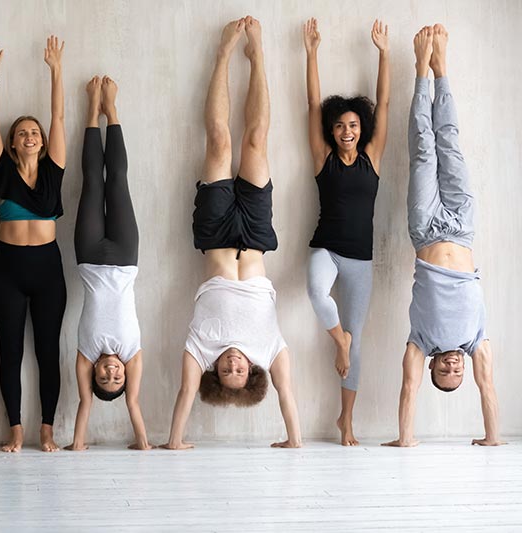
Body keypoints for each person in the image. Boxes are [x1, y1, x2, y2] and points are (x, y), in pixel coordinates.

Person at [163, 17, 301, 450]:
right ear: (252, 373)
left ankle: (223, 54)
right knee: (257, 141)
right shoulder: (267, 351)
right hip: (256, 237)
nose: (235, 365)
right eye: (241, 372)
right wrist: (294, 441)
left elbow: (186, 393)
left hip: (216, 234)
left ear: (216, 372)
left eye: (228, 372)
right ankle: (257, 54)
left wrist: (175, 442)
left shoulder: (201, 351)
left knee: (220, 141)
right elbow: (288, 394)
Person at [383, 25, 503, 448]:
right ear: (464, 370)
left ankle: (422, 71)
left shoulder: (422, 342)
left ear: (433, 365)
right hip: (463, 226)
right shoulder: (476, 343)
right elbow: (488, 389)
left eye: (444, 372)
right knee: (449, 144)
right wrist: (492, 438)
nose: (453, 366)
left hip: (426, 227)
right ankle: (442, 69)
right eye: (457, 373)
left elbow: (408, 389)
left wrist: (406, 439)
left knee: (424, 148)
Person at [302, 18, 389, 446]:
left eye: (353, 125)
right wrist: (312, 53)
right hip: (327, 249)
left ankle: (346, 422)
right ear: (331, 131)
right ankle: (339, 341)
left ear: (362, 130)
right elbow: (313, 102)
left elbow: (385, 104)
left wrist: (384, 54)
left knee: (359, 344)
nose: (347, 131)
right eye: (339, 126)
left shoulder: (373, 157)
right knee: (317, 294)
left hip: (361, 260)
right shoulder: (324, 158)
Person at [0, 36, 66, 452]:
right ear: (12, 143)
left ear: (43, 141)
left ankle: (46, 429)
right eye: (22, 133)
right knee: (10, 352)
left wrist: (55, 71)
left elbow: (60, 116)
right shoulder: (1, 171)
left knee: (48, 352)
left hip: (49, 269)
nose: (30, 135)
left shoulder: (54, 170)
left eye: (34, 132)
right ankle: (15, 430)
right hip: (8, 270)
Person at [65, 76, 150, 451]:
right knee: (116, 180)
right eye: (117, 377)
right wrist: (143, 443)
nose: (112, 372)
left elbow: (85, 402)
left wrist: (78, 445)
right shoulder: (132, 351)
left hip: (88, 256)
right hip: (125, 255)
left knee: (91, 184)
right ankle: (111, 110)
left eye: (105, 378)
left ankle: (90, 110)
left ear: (94, 373)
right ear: (125, 374)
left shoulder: (87, 352)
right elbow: (133, 401)